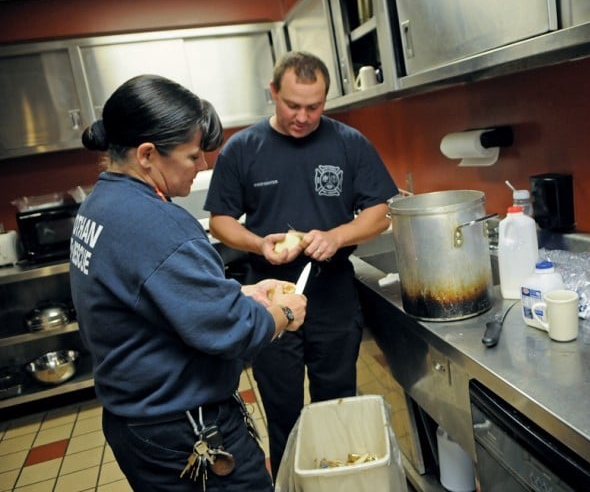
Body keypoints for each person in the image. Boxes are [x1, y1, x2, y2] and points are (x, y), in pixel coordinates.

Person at [69, 74, 306, 492]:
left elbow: (154, 298)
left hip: (137, 422)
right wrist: (283, 313)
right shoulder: (157, 223)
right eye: (193, 156)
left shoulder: (99, 204)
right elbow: (232, 331)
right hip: (184, 429)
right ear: (147, 155)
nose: (204, 166)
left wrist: (239, 292)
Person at [204, 51, 398, 480]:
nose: (303, 117)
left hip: (332, 295)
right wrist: (259, 242)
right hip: (269, 297)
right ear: (273, 93)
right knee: (281, 406)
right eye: (293, 105)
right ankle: (292, 484)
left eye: (315, 106)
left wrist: (338, 236)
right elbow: (220, 221)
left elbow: (381, 212)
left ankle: (339, 480)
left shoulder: (349, 143)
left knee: (336, 400)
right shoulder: (243, 149)